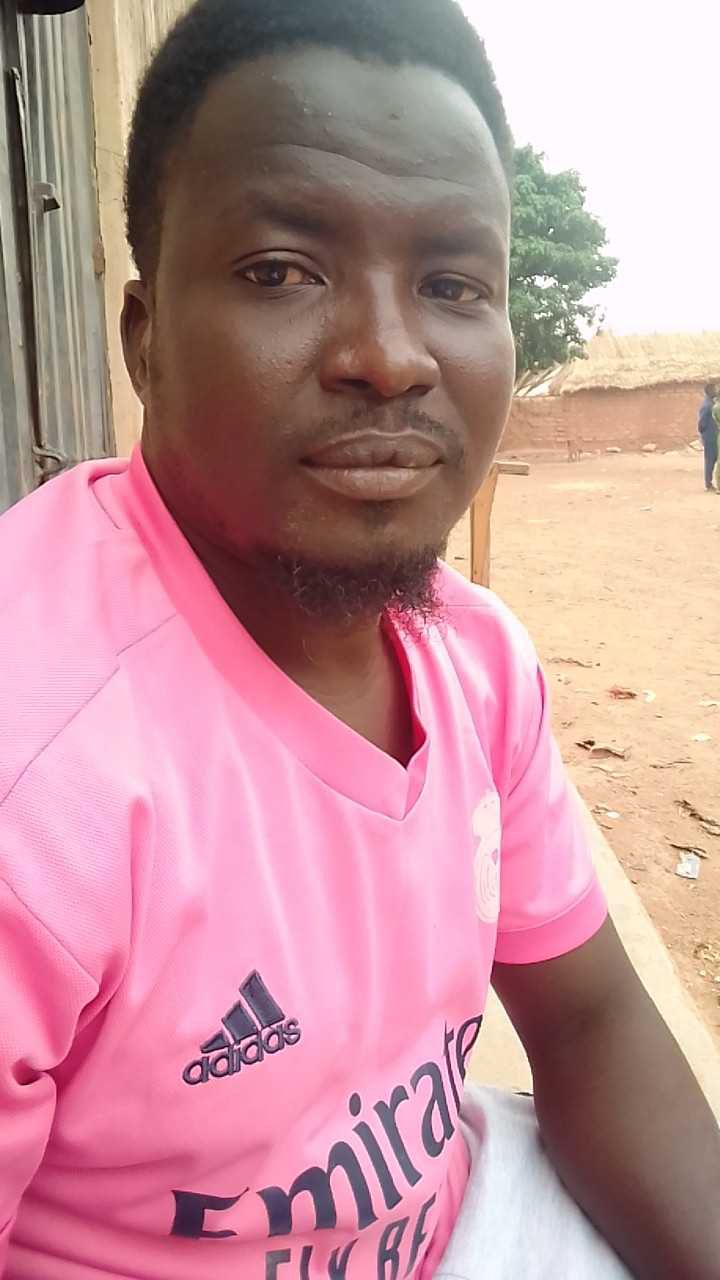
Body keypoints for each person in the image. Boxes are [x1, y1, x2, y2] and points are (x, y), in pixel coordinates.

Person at [1, 2, 719, 1277]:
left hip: (459, 1217)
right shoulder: (39, 770)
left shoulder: (478, 663)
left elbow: (592, 1020)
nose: (391, 357)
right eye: (284, 269)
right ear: (144, 337)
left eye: (453, 285)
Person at [698, 381, 719, 491]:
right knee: (710, 460)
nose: (716, 391)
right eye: (715, 389)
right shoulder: (707, 406)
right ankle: (708, 483)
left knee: (713, 460)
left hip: (713, 436)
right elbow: (701, 423)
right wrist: (703, 435)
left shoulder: (711, 403)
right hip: (710, 438)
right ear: (709, 391)